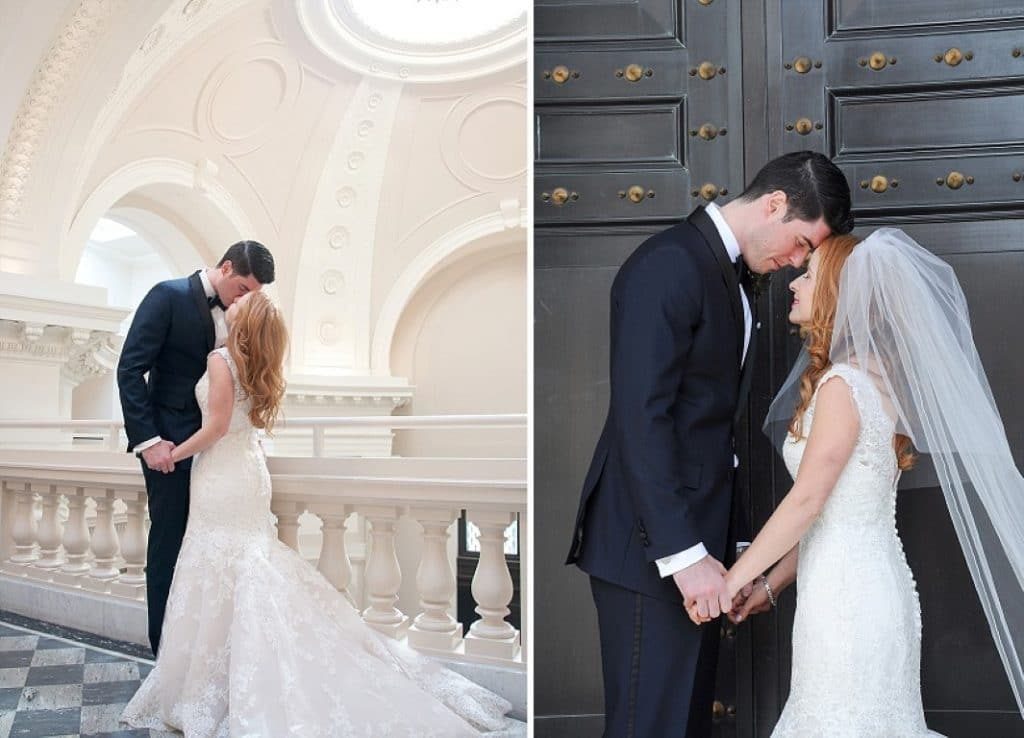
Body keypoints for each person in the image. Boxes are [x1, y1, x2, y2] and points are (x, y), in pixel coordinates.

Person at [121, 291, 513, 736]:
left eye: (244, 303)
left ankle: (214, 681)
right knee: (243, 562)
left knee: (219, 562)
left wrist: (173, 453)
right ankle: (229, 672)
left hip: (220, 473)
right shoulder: (256, 365)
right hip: (247, 470)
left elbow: (215, 428)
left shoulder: (220, 359)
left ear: (244, 322)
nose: (236, 302)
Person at [565, 151, 853, 736]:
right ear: (774, 205)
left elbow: (715, 436)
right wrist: (686, 556)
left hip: (700, 551)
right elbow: (641, 420)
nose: (797, 262)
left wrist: (737, 543)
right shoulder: (668, 265)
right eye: (800, 242)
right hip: (651, 553)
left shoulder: (734, 278)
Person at [719, 229, 1024, 734]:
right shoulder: (873, 378)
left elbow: (809, 501)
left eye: (811, 274)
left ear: (839, 293)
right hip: (866, 590)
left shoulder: (843, 386)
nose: (795, 282)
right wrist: (769, 585)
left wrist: (729, 581)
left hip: (847, 608)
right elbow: (839, 511)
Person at [117, 240, 275, 655]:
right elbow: (131, 368)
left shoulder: (241, 316)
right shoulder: (167, 296)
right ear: (225, 268)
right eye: (241, 289)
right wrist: (149, 442)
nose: (244, 300)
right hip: (168, 450)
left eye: (252, 295)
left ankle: (212, 656)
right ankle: (166, 655)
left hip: (219, 458)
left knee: (209, 558)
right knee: (169, 548)